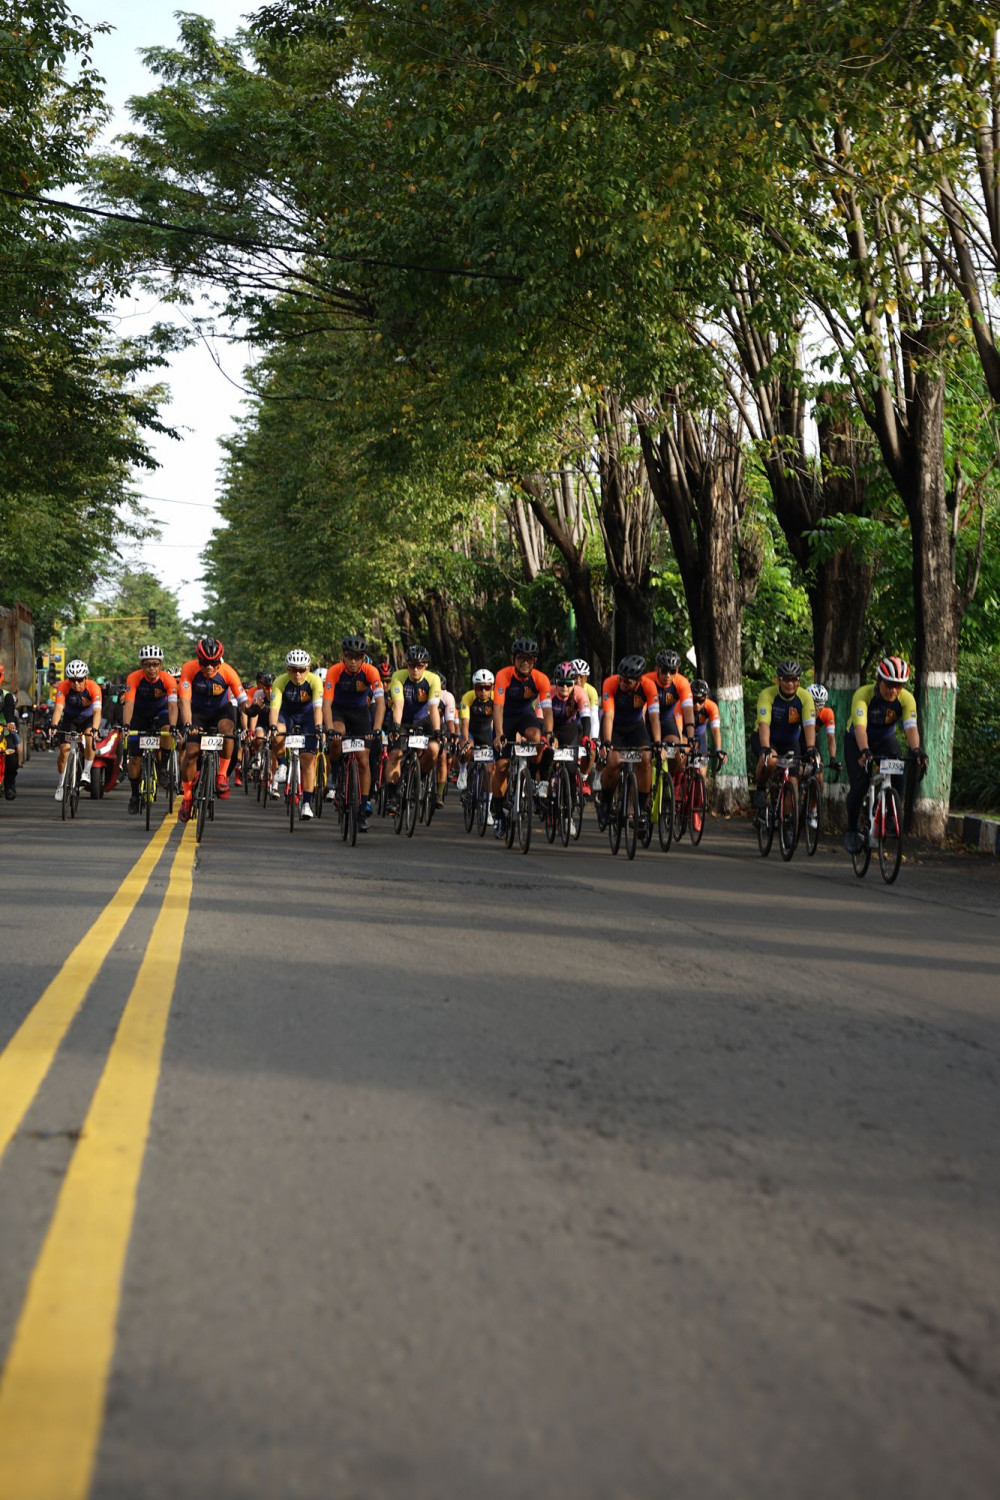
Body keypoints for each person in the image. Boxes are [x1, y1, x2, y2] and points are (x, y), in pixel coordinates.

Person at [844, 656, 926, 853]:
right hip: (857, 740)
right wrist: (865, 750)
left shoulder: (906, 699)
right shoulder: (863, 695)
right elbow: (860, 728)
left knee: (899, 770)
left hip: (885, 739)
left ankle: (891, 814)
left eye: (899, 686)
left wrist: (916, 750)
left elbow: (910, 728)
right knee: (861, 783)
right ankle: (852, 829)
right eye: (889, 685)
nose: (894, 691)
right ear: (879, 680)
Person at [176, 638, 246, 822]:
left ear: (219, 661)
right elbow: (184, 701)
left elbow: (242, 700)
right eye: (204, 662)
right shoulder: (189, 668)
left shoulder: (228, 671)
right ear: (198, 660)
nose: (209, 667)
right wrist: (188, 724)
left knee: (227, 730)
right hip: (198, 712)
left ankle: (222, 776)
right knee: (191, 752)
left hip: (221, 711)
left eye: (213, 662)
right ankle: (187, 798)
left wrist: (251, 708)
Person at [490, 637, 552, 838]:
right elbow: (498, 708)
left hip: (526, 716)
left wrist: (549, 733)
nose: (525, 662)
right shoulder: (503, 675)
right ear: (513, 659)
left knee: (537, 736)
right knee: (502, 766)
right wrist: (499, 734)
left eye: (529, 659)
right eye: (521, 658)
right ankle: (499, 812)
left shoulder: (541, 679)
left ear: (534, 661)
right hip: (505, 718)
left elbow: (547, 710)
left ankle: (531, 777)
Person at [324, 635, 385, 831]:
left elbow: (381, 703)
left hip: (360, 714)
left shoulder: (371, 671)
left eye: (357, 657)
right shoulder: (334, 671)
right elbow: (326, 703)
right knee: (338, 734)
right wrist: (329, 728)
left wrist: (376, 728)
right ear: (343, 656)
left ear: (363, 657)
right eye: (349, 656)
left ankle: (362, 808)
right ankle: (335, 773)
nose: (353, 661)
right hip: (339, 711)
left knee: (363, 760)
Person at [597, 654, 662, 831]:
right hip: (615, 726)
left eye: (628, 681)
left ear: (639, 680)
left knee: (646, 758)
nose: (623, 683)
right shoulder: (610, 683)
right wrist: (607, 741)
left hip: (635, 727)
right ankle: (605, 801)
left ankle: (641, 808)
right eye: (622, 679)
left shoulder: (649, 686)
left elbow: (654, 717)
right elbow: (608, 715)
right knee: (614, 761)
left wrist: (657, 742)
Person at [752, 660, 818, 825]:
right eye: (786, 679)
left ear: (799, 681)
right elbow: (764, 724)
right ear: (778, 680)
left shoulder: (805, 697)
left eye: (794, 679)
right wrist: (766, 747)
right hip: (767, 738)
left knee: (793, 784)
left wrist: (811, 748)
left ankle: (787, 824)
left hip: (790, 742)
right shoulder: (768, 694)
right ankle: (760, 787)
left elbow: (809, 725)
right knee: (771, 760)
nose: (790, 683)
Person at [121, 646, 178, 814]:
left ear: (161, 665)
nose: (151, 668)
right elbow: (129, 704)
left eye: (155, 664)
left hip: (160, 712)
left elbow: (173, 705)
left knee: (167, 728)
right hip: (139, 714)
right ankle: (134, 795)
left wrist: (174, 726)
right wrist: (126, 725)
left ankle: (162, 769)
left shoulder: (168, 679)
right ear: (141, 665)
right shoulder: (134, 678)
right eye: (147, 664)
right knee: (134, 759)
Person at [268, 650, 325, 819]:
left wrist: (318, 727)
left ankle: (306, 803)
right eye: (293, 670)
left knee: (308, 759)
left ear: (308, 669)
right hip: (287, 715)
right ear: (288, 670)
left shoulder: (315, 681)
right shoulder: (280, 682)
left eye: (301, 670)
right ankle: (282, 764)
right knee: (277, 732)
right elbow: (274, 709)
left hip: (308, 716)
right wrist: (272, 727)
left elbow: (318, 708)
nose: (297, 674)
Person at [538, 661, 594, 793]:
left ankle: (571, 799)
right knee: (547, 753)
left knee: (571, 770)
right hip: (551, 727)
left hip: (569, 730)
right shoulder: (548, 691)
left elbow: (586, 718)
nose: (564, 687)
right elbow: (540, 717)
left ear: (574, 683)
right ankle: (544, 783)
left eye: (568, 684)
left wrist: (586, 737)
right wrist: (545, 735)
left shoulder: (580, 693)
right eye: (561, 683)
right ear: (555, 682)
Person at [50, 660, 102, 801]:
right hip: (70, 719)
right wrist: (54, 725)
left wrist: (95, 729)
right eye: (72, 680)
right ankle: (61, 784)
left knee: (90, 738)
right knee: (64, 751)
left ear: (86, 678)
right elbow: (59, 708)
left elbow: (97, 711)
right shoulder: (63, 686)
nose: (76, 683)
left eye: (79, 680)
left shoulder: (94, 687)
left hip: (88, 719)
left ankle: (86, 772)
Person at [457, 669, 494, 794]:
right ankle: (463, 770)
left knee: (490, 771)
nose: (483, 691)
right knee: (465, 747)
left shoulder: (495, 698)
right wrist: (465, 740)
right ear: (474, 687)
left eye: (487, 687)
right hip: (471, 732)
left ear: (492, 687)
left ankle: (488, 803)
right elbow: (465, 722)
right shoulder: (468, 697)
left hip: (487, 733)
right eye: (479, 687)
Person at [437, 674, 459, 808]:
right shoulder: (422, 691)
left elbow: (450, 720)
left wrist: (453, 734)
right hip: (424, 725)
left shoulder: (447, 697)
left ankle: (439, 793)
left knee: (443, 756)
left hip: (442, 727)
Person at [1, 663, 20, 800]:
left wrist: (11, 723)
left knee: (12, 758)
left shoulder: (6, 696)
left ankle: (9, 785)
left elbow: (9, 713)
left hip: (3, 734)